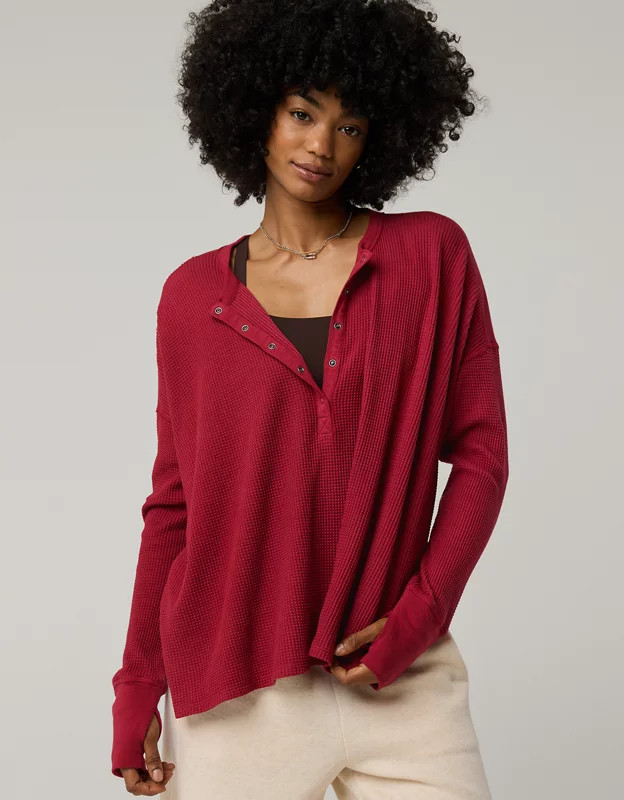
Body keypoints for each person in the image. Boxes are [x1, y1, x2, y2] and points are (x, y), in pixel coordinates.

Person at [110, 1, 509, 797]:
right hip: (237, 689)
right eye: (302, 113)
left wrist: (422, 614)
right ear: (255, 111)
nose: (321, 146)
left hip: (401, 679)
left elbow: (482, 455)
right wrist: (136, 688)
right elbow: (174, 505)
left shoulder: (431, 257)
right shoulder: (191, 297)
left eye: (349, 125)